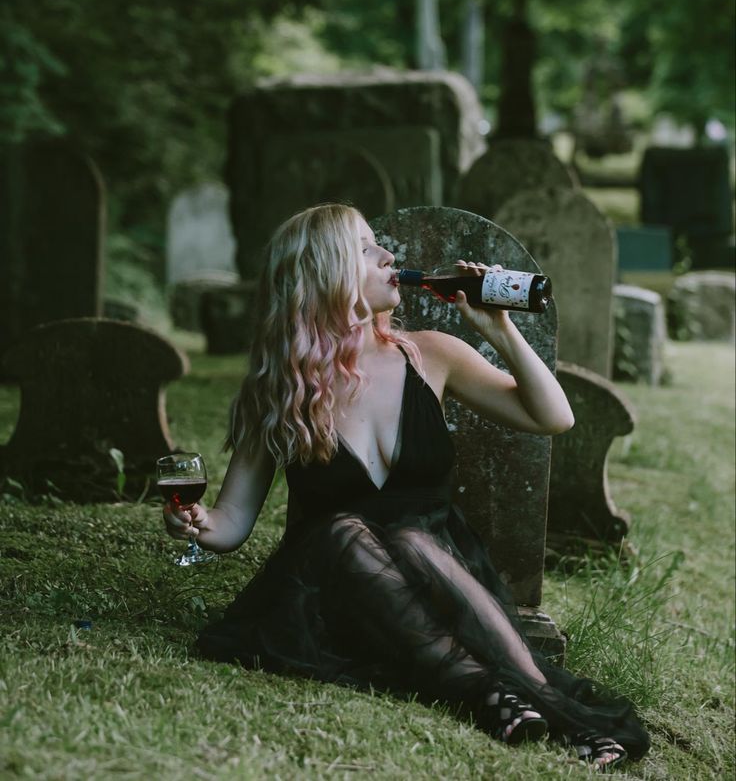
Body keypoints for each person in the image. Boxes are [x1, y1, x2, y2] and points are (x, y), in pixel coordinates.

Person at [164, 203, 649, 771]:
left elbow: (553, 418)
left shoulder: (430, 356)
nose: (388, 255)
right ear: (325, 272)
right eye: (367, 248)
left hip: (438, 571)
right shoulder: (278, 388)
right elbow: (231, 524)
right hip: (334, 591)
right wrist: (195, 525)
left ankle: (546, 704)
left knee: (417, 539)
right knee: (346, 528)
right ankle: (482, 691)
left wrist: (501, 329)